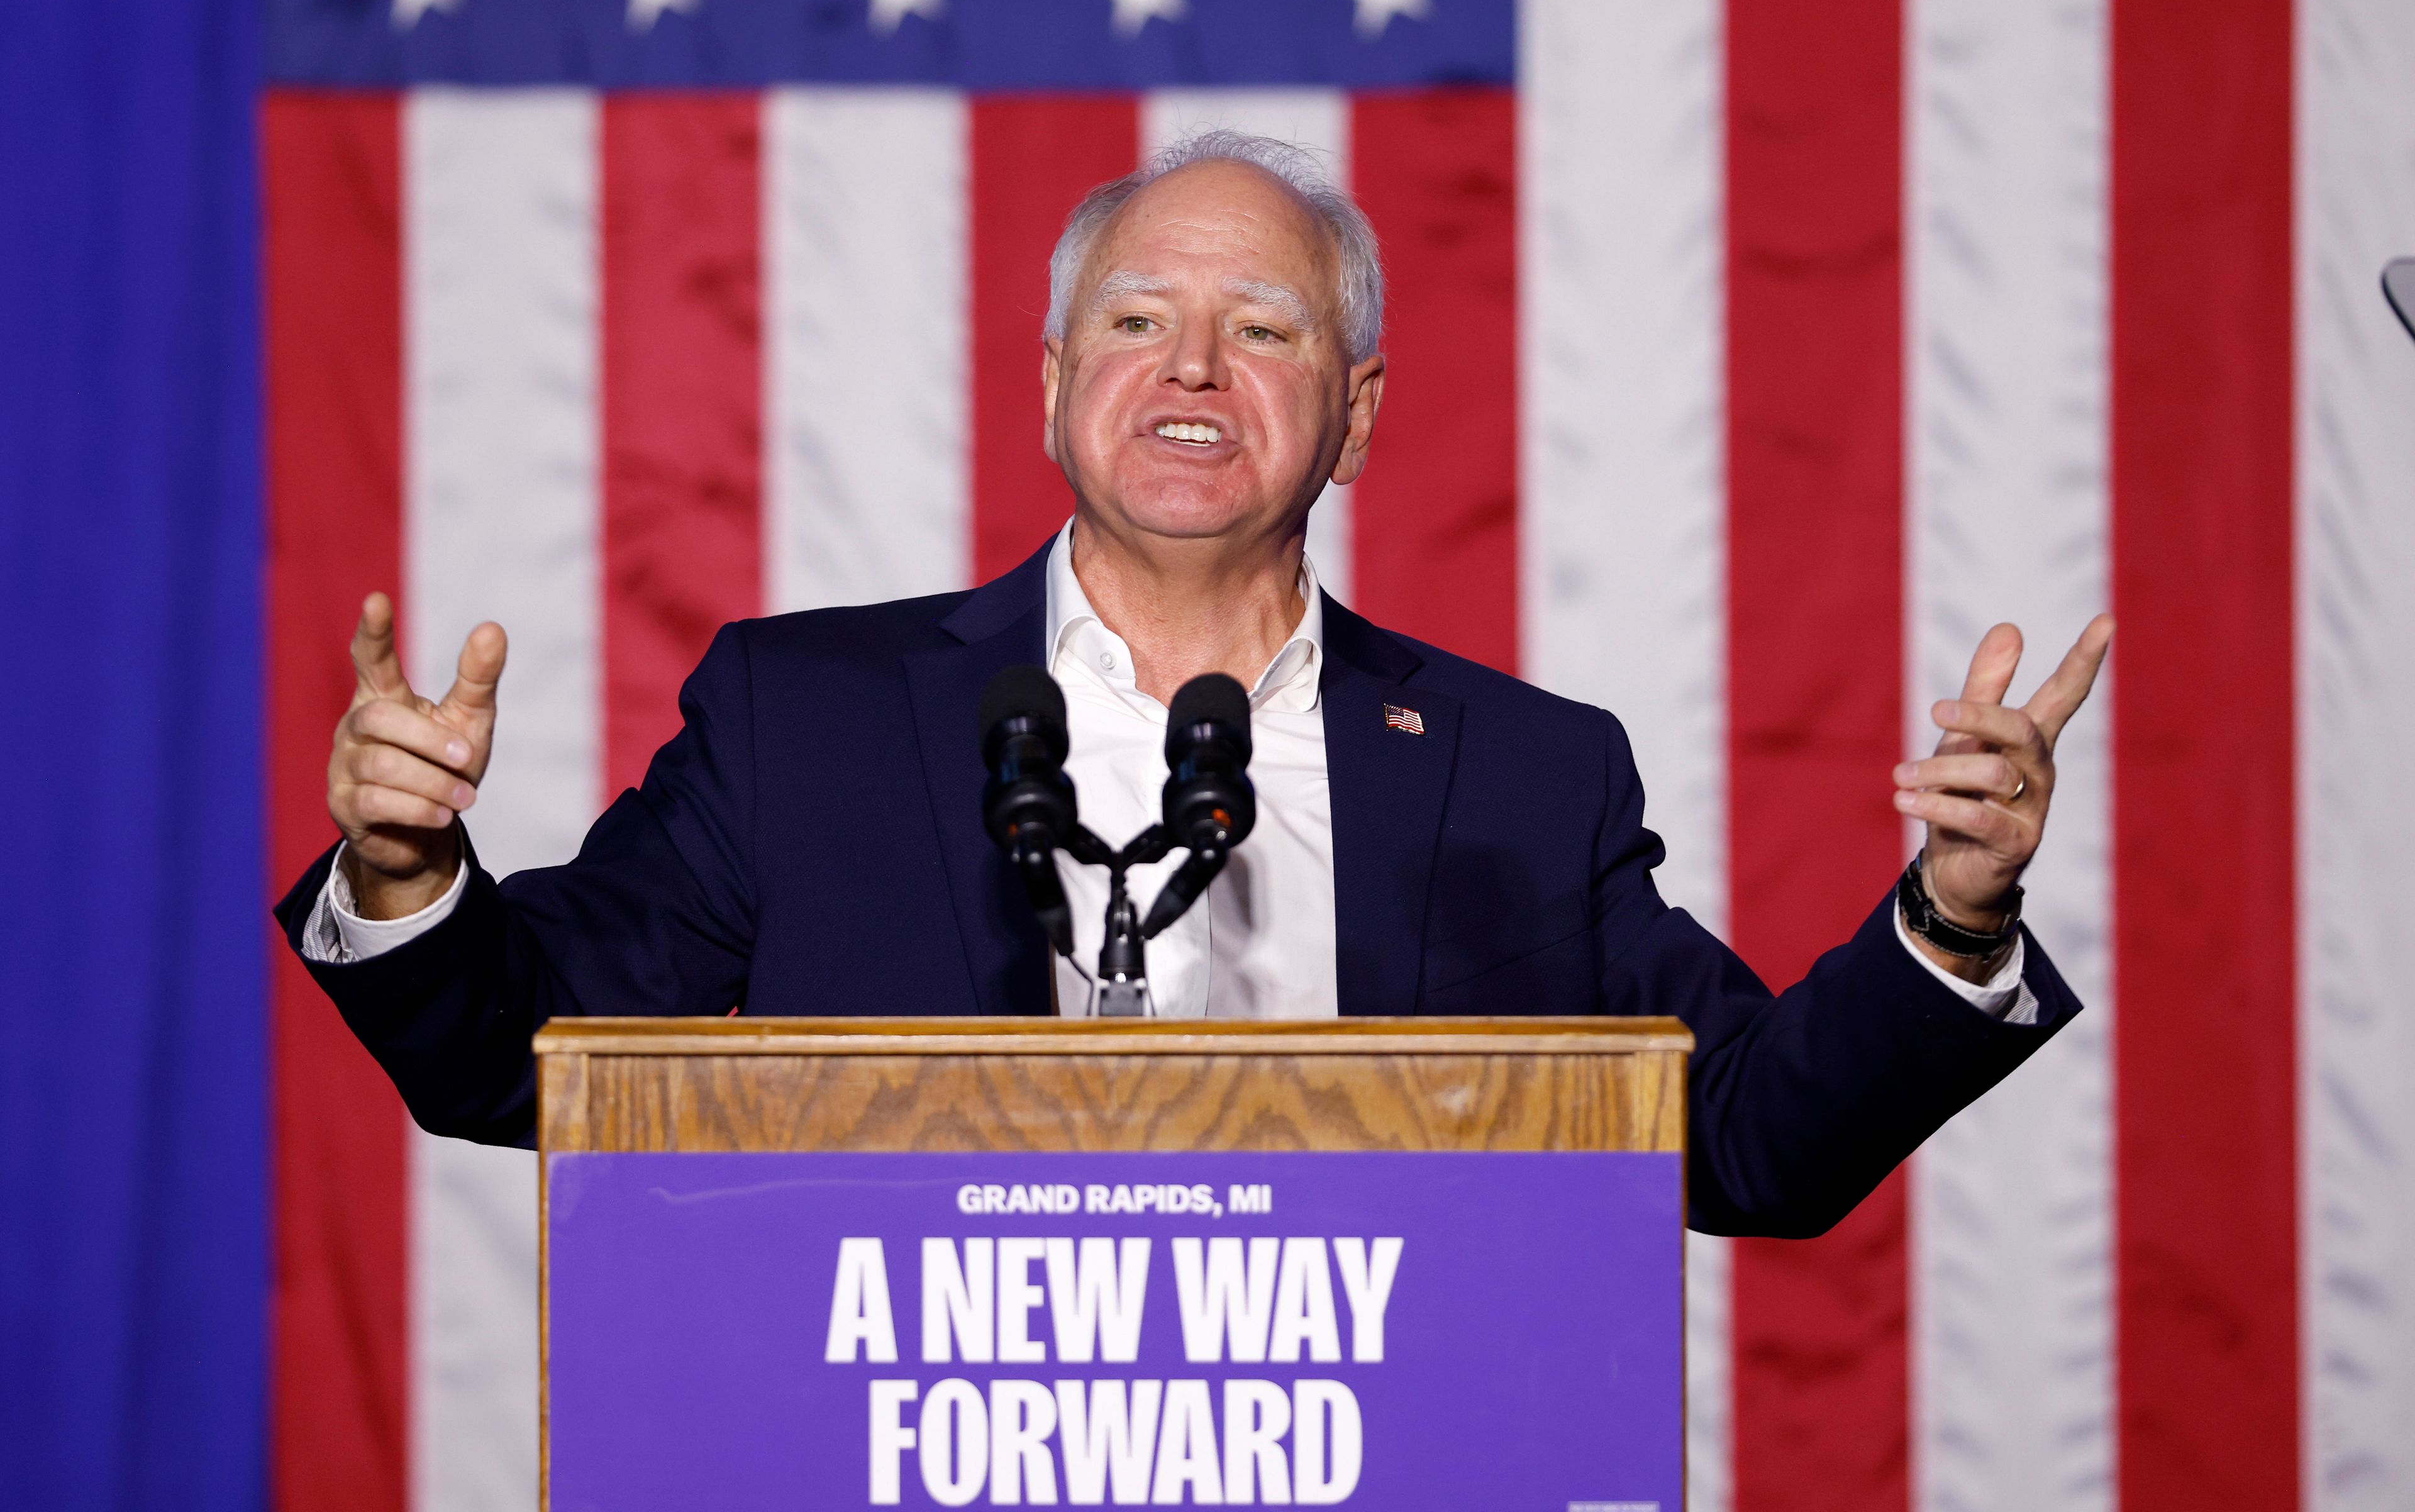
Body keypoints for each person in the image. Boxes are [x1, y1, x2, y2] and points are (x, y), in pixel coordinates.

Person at [277, 130, 2112, 1237]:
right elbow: (532, 1062)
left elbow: (1747, 1141)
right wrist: (407, 879)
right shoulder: (802, 716)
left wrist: (1957, 917)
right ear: (1056, 377)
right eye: (1142, 319)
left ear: (1360, 414)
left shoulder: (1523, 776)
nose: (1194, 369)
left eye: (1265, 328)